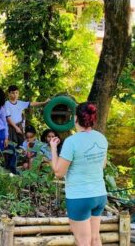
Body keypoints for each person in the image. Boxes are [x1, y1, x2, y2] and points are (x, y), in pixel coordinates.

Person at [50, 102, 108, 246]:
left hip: (79, 197)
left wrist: (53, 148)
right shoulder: (101, 138)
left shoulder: (72, 142)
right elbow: (103, 165)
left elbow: (58, 172)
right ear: (93, 118)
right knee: (95, 239)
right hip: (99, 195)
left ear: (76, 118)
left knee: (82, 241)